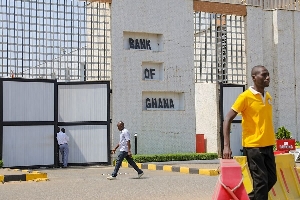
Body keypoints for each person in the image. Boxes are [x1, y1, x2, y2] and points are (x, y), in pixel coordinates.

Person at [222, 65, 277, 200]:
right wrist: (226, 146)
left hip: (268, 144)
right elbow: (228, 118)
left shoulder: (267, 96)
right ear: (254, 78)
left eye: (268, 74)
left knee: (271, 179)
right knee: (261, 183)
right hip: (254, 147)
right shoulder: (245, 97)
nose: (267, 77)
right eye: (264, 75)